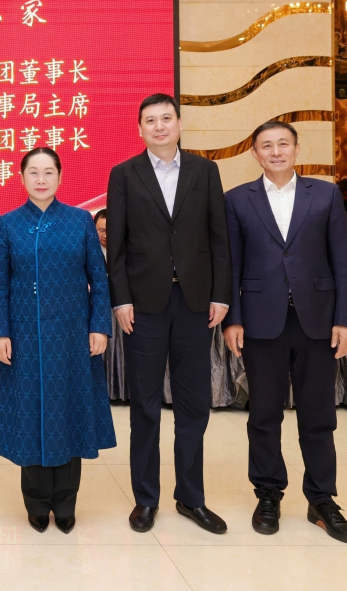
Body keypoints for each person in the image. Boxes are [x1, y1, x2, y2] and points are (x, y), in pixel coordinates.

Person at [223, 121, 347, 544]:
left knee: (318, 414)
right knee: (263, 414)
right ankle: (268, 493)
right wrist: (233, 319)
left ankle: (321, 499)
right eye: (266, 146)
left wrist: (346, 319)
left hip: (317, 320)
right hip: (260, 322)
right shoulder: (236, 199)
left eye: (283, 143)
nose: (276, 151)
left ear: (297, 149)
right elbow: (231, 265)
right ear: (255, 154)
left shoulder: (325, 194)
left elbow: (342, 260)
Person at [106, 93, 231, 535]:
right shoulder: (124, 174)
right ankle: (146, 498)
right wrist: (120, 299)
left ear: (179, 123)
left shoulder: (205, 170)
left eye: (166, 118)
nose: (159, 126)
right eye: (150, 120)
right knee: (144, 404)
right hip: (143, 306)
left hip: (195, 303)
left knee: (193, 404)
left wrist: (221, 294)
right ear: (139, 129)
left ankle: (191, 497)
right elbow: (116, 245)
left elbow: (219, 237)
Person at [0, 148, 115, 534]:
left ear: (60, 177)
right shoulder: (8, 224)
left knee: (70, 414)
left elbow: (99, 280)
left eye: (48, 172)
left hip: (73, 336)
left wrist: (99, 326)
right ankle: (36, 503)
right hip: (24, 336)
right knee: (30, 415)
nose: (41, 179)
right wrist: (0, 332)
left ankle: (65, 503)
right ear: (22, 178)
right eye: (33, 172)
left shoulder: (80, 221)